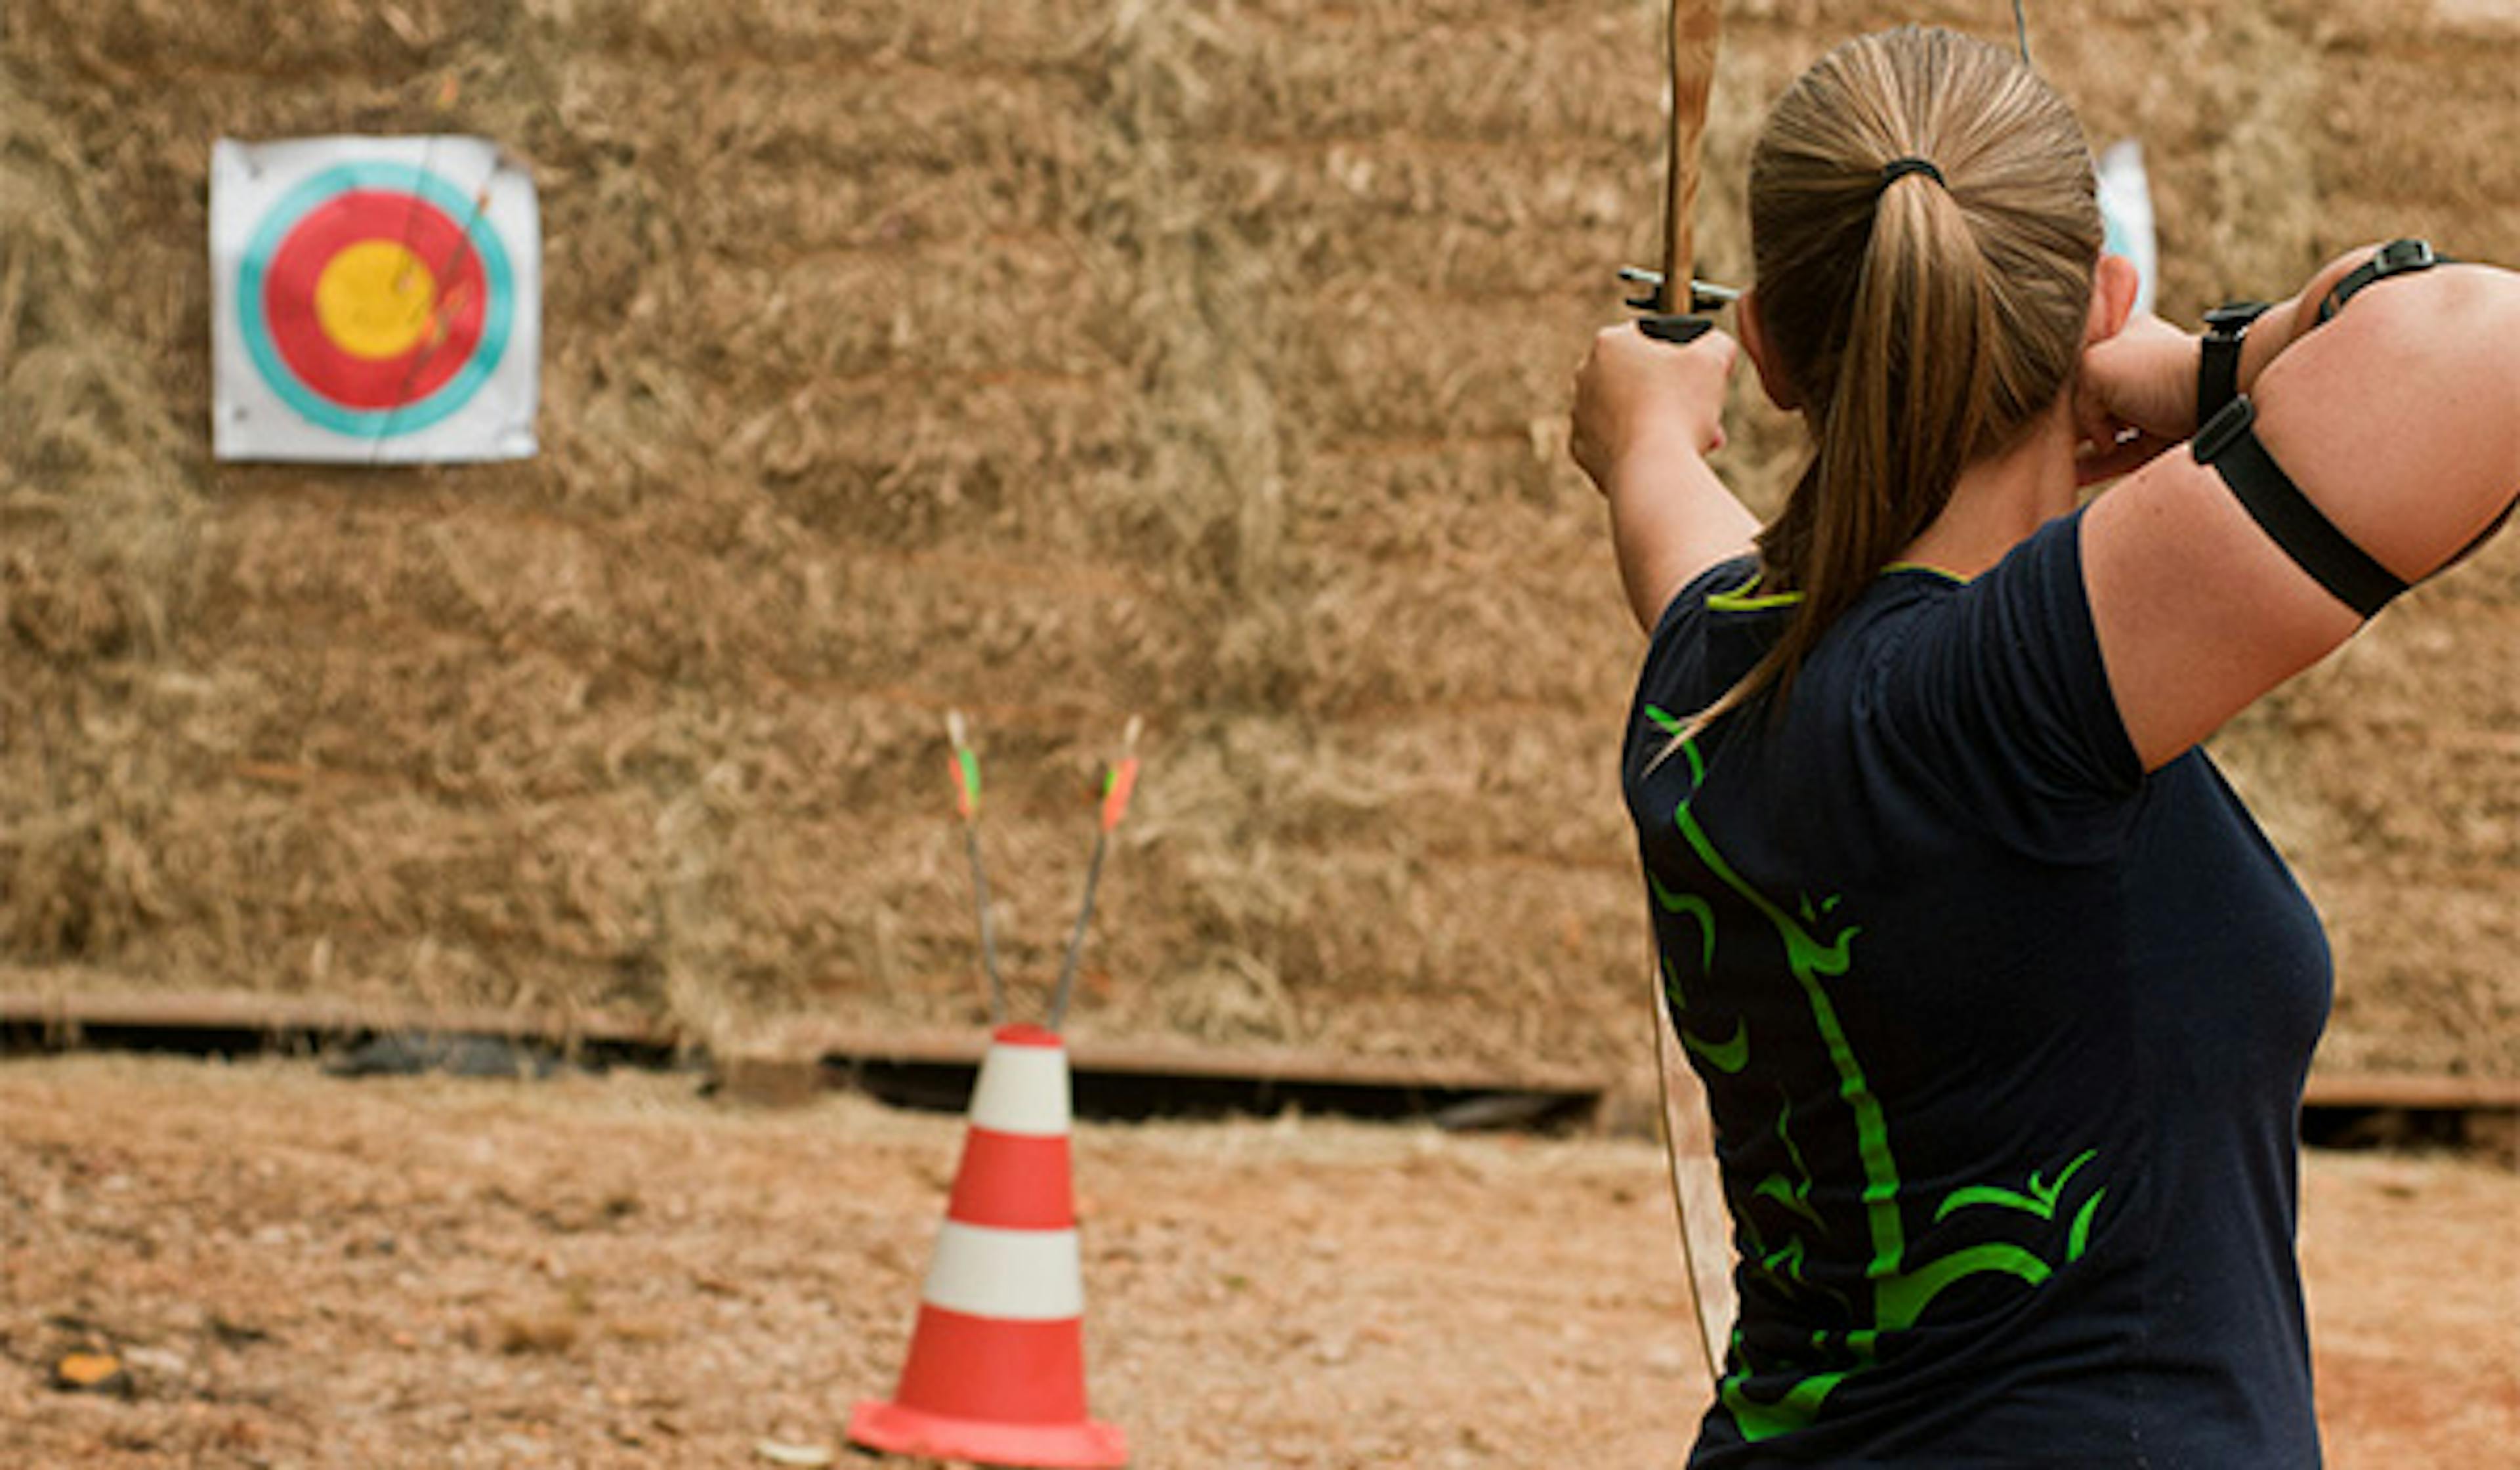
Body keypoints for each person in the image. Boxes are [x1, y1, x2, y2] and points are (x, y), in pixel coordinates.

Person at [1568, 25, 2516, 1468]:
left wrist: (1645, 432)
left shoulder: (1706, 673)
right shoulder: (2007, 701)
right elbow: (2471, 345)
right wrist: (2187, 369)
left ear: (1763, 351)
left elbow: (1674, 517)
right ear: (2102, 291)